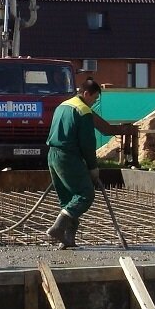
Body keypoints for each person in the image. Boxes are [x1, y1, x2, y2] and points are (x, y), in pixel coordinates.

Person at [45, 78, 103, 249]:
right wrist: (93, 168)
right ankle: (57, 228)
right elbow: (87, 143)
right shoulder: (84, 111)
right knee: (85, 194)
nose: (95, 102)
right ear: (86, 94)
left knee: (68, 199)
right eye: (95, 98)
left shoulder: (63, 106)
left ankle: (68, 239)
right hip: (68, 157)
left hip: (53, 155)